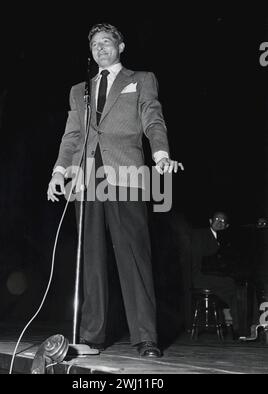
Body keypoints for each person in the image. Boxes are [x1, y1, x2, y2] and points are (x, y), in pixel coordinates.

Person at [47, 23, 183, 357]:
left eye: (107, 42)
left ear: (120, 47)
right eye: (94, 44)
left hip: (126, 175)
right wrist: (58, 173)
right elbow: (72, 136)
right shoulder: (79, 90)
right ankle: (92, 337)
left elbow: (152, 118)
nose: (100, 48)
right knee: (90, 259)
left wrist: (161, 155)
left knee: (133, 257)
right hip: (86, 179)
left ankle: (146, 337)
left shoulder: (141, 79)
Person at [190, 211, 240, 336]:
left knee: (238, 287)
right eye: (217, 219)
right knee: (232, 285)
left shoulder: (226, 239)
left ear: (227, 226)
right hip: (199, 276)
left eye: (223, 221)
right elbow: (202, 259)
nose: (219, 222)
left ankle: (241, 326)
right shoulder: (200, 234)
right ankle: (239, 327)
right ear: (210, 221)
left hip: (214, 275)